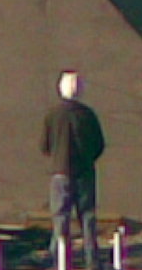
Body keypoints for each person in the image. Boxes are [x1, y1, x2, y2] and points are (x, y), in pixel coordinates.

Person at [41, 71, 106, 270]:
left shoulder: (52, 115)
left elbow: (44, 145)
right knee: (87, 216)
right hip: (84, 171)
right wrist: (87, 159)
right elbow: (99, 144)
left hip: (60, 172)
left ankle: (60, 260)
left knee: (61, 217)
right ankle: (91, 260)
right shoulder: (88, 114)